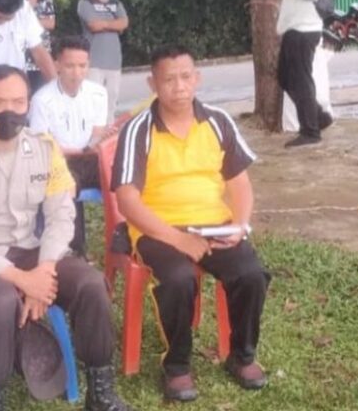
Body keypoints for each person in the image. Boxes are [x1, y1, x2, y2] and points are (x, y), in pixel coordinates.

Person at [0, 65, 133, 411]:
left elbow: (61, 216)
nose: (9, 111)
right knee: (1, 299)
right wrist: (23, 281)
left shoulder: (45, 149)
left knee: (90, 284)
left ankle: (100, 392)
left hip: (30, 252)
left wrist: (43, 271)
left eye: (18, 101)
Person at [112, 45, 270, 402]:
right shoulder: (138, 130)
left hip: (214, 224)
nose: (179, 87)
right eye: (169, 79)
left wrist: (239, 225)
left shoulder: (217, 121)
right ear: (153, 84)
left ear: (197, 78)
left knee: (251, 274)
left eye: (186, 77)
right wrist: (177, 239)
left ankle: (242, 356)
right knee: (179, 278)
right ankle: (177, 366)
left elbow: (240, 184)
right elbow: (127, 200)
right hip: (157, 228)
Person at [28, 36, 117, 257]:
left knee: (124, 181)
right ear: (57, 64)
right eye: (70, 66)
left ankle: (125, 239)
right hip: (60, 161)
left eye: (82, 65)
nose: (77, 73)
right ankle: (72, 249)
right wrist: (81, 150)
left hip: (91, 158)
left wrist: (104, 139)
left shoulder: (98, 93)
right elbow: (44, 146)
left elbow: (97, 135)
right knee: (65, 186)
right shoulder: (42, 100)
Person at [262, 0, 333, 148]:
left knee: (301, 79)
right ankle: (317, 116)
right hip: (296, 26)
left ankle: (310, 130)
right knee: (286, 77)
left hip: (304, 27)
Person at [77, 0, 129, 118]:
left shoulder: (116, 3)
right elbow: (94, 25)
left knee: (111, 100)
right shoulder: (85, 3)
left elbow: (124, 23)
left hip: (114, 62)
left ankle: (109, 129)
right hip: (94, 62)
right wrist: (114, 24)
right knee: (93, 101)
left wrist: (105, 24)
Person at [16, 0, 57, 94]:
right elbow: (20, 17)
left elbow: (51, 23)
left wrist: (28, 22)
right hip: (20, 59)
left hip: (41, 58)